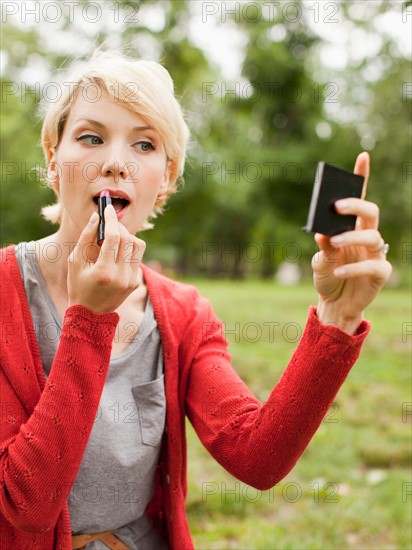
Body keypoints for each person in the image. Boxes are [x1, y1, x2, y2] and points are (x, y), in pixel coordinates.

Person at [0, 50, 392, 550]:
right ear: (54, 159)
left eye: (144, 144)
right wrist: (90, 320)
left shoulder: (183, 313)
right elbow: (25, 506)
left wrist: (338, 318)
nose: (117, 163)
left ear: (166, 177)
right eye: (91, 137)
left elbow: (256, 457)